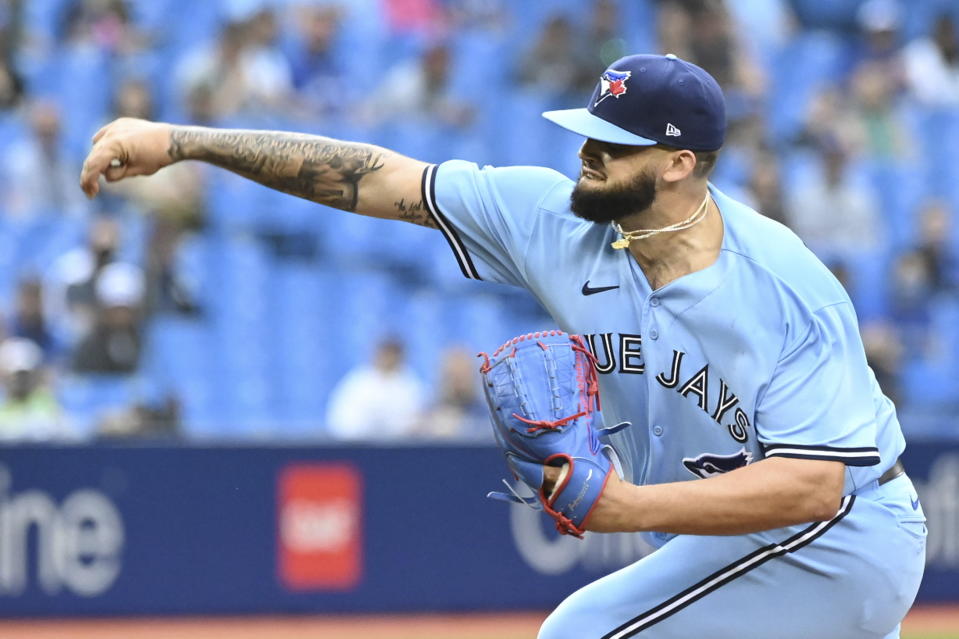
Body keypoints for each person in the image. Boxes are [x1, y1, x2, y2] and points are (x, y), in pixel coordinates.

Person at [80, 53, 924, 639]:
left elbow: (815, 483)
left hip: (843, 537)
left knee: (581, 631)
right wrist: (186, 141)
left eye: (611, 142)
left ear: (677, 163)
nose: (585, 153)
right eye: (588, 131)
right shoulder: (556, 220)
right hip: (749, 544)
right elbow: (376, 175)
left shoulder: (779, 282)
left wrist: (629, 509)